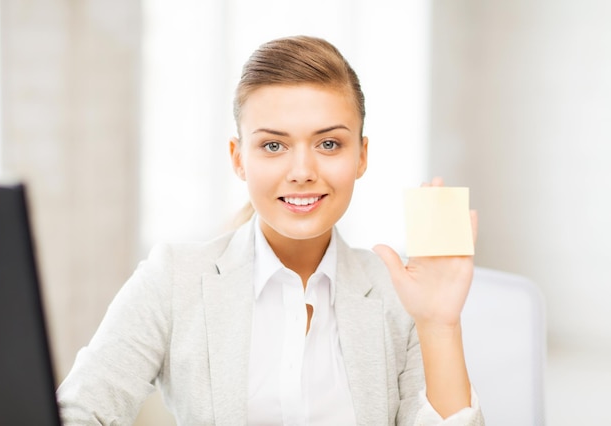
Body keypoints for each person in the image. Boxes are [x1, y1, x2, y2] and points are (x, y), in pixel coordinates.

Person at [57, 35, 484, 425]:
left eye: (329, 143)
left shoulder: (397, 298)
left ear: (361, 156)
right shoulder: (173, 279)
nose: (302, 172)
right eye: (273, 145)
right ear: (239, 157)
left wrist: (439, 325)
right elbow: (79, 410)